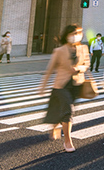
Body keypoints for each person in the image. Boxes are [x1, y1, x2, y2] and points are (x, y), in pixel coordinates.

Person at [39, 24, 90, 153]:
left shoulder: (83, 48)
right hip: (61, 86)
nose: (75, 36)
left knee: (64, 110)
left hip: (76, 85)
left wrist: (78, 68)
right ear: (66, 36)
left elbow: (86, 64)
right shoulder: (59, 51)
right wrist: (42, 87)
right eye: (72, 34)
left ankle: (54, 125)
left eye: (78, 33)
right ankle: (68, 141)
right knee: (68, 112)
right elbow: (49, 69)